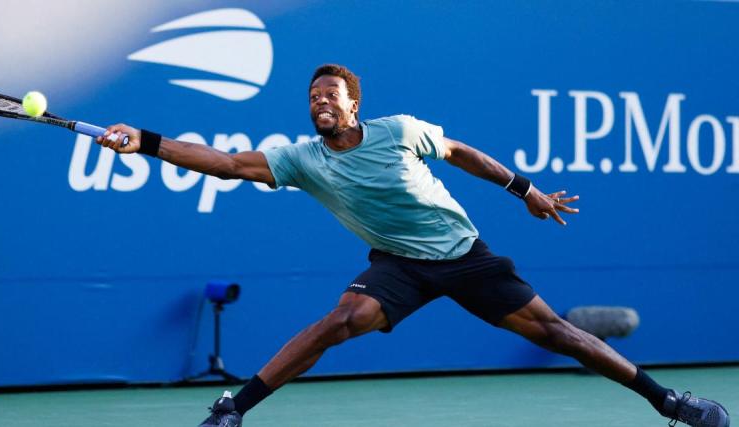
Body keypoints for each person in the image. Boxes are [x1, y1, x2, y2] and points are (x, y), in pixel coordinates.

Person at [96, 64, 730, 427]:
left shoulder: (398, 131)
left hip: (465, 256)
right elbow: (228, 164)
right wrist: (146, 142)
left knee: (560, 335)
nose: (319, 101)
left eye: (330, 95)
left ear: (353, 105)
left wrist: (526, 189)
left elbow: (460, 153)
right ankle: (234, 408)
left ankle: (669, 402)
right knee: (339, 322)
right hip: (399, 266)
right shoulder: (300, 158)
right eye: (313, 96)